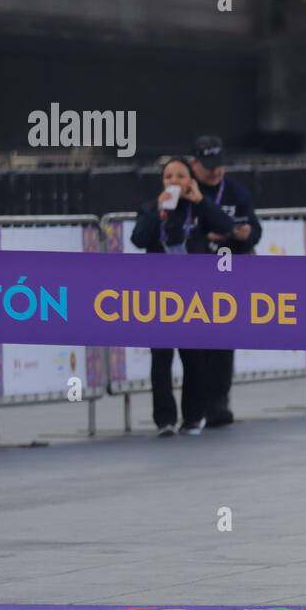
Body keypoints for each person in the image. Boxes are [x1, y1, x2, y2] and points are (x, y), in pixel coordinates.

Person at [130, 157, 235, 436]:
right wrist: (157, 213)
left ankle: (193, 416)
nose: (173, 181)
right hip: (160, 294)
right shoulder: (150, 208)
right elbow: (138, 239)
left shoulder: (198, 210)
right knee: (161, 358)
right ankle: (164, 418)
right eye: (168, 176)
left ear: (190, 180)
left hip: (193, 294)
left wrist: (201, 201)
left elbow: (226, 226)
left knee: (194, 358)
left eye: (180, 176)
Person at [192, 136, 262, 428]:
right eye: (209, 167)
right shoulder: (186, 191)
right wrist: (208, 234)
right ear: (195, 164)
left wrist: (245, 234)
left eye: (219, 166)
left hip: (227, 272)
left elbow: (255, 228)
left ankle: (218, 402)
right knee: (196, 342)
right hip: (194, 272)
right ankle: (194, 404)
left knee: (223, 339)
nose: (215, 172)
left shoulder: (235, 192)